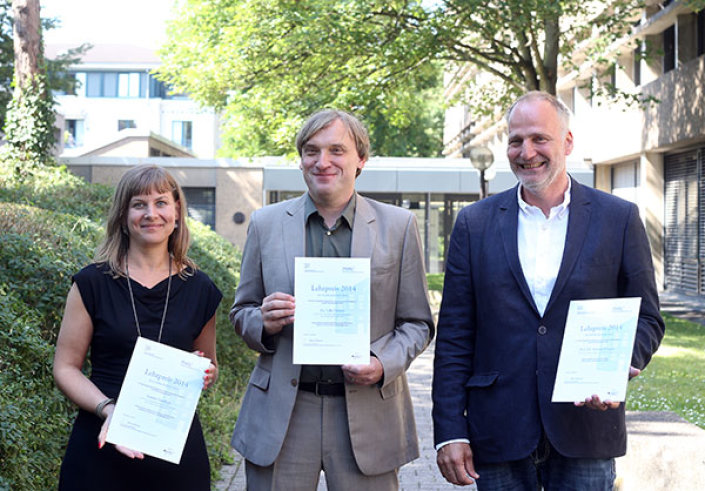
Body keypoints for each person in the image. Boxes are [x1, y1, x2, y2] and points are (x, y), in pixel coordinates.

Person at [432, 91, 665, 490]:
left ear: (567, 142)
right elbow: (454, 335)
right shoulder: (475, 224)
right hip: (498, 430)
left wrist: (617, 364)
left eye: (540, 138)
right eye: (516, 140)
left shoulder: (618, 218)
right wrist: (450, 431)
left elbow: (647, 317)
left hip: (586, 428)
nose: (527, 152)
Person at [230, 109, 434, 490]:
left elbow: (418, 323)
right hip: (284, 415)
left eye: (336, 150)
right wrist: (263, 321)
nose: (322, 162)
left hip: (366, 410)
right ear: (301, 160)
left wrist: (382, 362)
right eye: (311, 151)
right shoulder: (265, 223)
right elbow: (241, 311)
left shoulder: (398, 226)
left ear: (360, 159)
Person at [53, 164, 222, 491]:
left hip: (173, 448)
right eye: (139, 204)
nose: (151, 213)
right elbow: (65, 368)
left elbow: (210, 363)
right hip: (99, 440)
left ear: (176, 213)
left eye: (161, 202)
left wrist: (207, 373)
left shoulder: (200, 289)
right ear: (123, 216)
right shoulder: (91, 283)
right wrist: (109, 410)